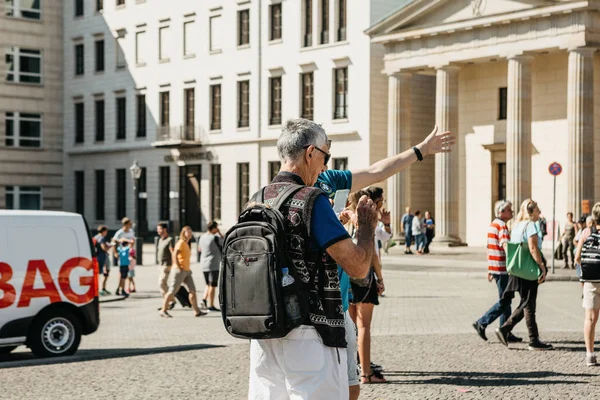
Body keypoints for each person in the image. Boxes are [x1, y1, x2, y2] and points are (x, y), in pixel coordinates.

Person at [248, 119, 383, 399]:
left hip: (265, 331)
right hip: (311, 332)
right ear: (310, 153)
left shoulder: (258, 198)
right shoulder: (312, 200)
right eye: (325, 156)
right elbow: (357, 267)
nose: (325, 167)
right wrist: (367, 227)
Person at [495, 199, 553, 351]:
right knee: (528, 304)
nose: (540, 213)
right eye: (538, 210)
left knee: (527, 304)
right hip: (528, 269)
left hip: (518, 269)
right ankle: (507, 329)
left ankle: (533, 338)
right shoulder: (531, 226)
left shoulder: (516, 225)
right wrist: (542, 266)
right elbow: (533, 248)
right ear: (531, 211)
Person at [349, 187, 389, 384]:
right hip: (364, 278)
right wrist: (380, 278)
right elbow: (372, 253)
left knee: (351, 327)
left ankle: (351, 371)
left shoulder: (345, 220)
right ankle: (366, 373)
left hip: (347, 278)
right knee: (364, 326)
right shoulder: (365, 222)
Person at [472, 201, 522, 343]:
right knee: (505, 301)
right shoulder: (502, 226)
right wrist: (512, 264)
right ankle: (482, 322)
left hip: (495, 267)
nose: (512, 212)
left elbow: (489, 247)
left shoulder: (492, 225)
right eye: (509, 210)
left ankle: (505, 331)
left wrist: (489, 268)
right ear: (501, 212)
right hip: (502, 268)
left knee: (506, 300)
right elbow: (505, 245)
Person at [159, 226, 205, 318]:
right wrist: (179, 266)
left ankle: (197, 311)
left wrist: (187, 268)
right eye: (188, 232)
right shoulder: (180, 242)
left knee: (192, 291)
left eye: (190, 232)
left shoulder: (187, 243)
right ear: (183, 233)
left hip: (187, 271)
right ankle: (163, 310)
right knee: (172, 291)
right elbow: (174, 254)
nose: (190, 234)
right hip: (179, 271)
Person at [574, 203, 600, 366]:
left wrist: (583, 274)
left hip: (591, 280)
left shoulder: (585, 232)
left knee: (590, 318)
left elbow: (577, 258)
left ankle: (590, 354)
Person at [199, 220, 223, 312]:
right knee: (212, 285)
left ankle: (204, 299)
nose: (218, 229)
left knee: (208, 284)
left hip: (203, 263)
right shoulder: (215, 238)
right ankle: (211, 305)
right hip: (213, 264)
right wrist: (220, 233)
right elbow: (224, 242)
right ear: (214, 228)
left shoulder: (202, 237)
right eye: (217, 228)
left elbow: (199, 249)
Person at [156, 222, 175, 310]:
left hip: (167, 265)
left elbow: (173, 253)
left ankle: (169, 301)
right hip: (160, 265)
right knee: (162, 284)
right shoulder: (160, 239)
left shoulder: (169, 240)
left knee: (161, 283)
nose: (158, 231)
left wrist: (175, 264)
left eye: (159, 229)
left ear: (165, 229)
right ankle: (168, 301)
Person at [94, 225, 112, 296]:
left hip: (96, 256)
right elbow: (104, 248)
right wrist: (110, 246)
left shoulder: (95, 237)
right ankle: (102, 289)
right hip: (102, 257)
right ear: (104, 231)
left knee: (97, 274)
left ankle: (98, 289)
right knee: (105, 273)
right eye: (106, 231)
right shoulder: (102, 238)